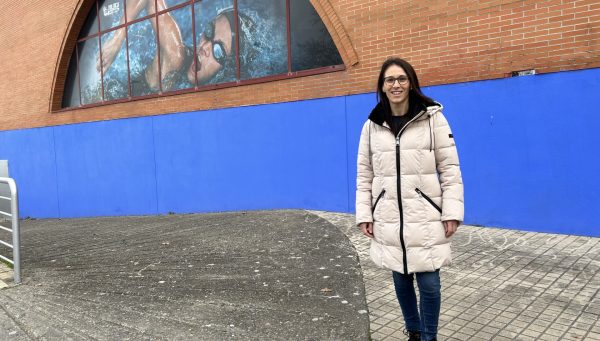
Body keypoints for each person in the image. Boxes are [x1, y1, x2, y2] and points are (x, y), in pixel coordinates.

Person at [355, 57, 464, 341]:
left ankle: (429, 337)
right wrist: (365, 214)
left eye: (401, 78)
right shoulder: (372, 125)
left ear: (411, 82)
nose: (396, 85)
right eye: (389, 80)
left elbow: (450, 169)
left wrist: (451, 211)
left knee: (430, 284)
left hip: (425, 215)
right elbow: (364, 174)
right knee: (400, 278)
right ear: (382, 86)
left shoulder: (433, 119)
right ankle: (414, 332)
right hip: (389, 215)